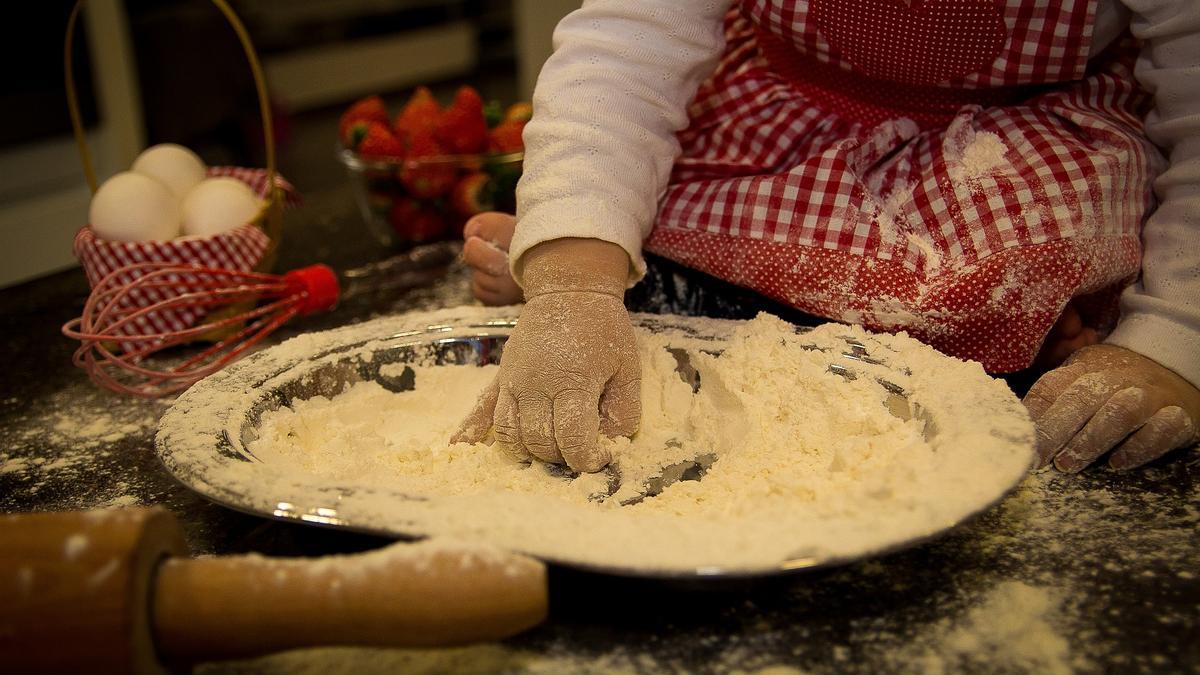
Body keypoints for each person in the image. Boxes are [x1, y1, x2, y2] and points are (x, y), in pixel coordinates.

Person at [455, 0, 1200, 476]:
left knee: (1001, 282)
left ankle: (1033, 327)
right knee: (606, 211)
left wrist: (1170, 336)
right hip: (783, 126)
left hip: (1009, 149)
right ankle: (621, 261)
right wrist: (572, 271)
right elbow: (622, 53)